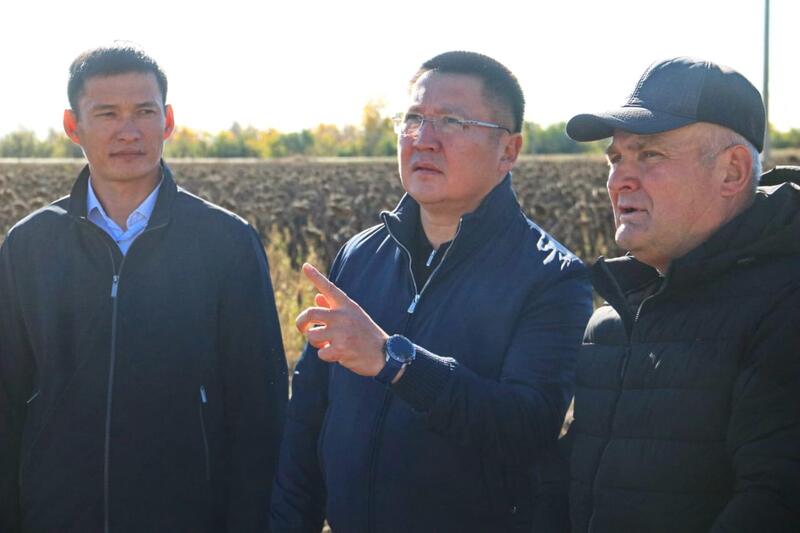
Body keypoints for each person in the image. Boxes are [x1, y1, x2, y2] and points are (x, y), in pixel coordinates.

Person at [270, 51, 593, 533]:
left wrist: (397, 364)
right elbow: (308, 420)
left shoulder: (552, 277)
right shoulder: (360, 256)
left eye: (452, 121)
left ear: (508, 151)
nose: (423, 138)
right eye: (413, 119)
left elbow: (525, 428)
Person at [0, 45, 288, 533]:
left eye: (144, 112)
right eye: (107, 114)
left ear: (168, 121)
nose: (128, 131)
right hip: (55, 515)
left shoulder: (226, 243)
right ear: (73, 126)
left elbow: (260, 409)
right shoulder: (28, 245)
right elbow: (7, 400)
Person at [565, 57, 800, 532]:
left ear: (732, 173)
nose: (619, 179)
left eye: (650, 154)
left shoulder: (786, 309)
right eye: (616, 158)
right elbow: (565, 485)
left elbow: (775, 501)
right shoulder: (610, 323)